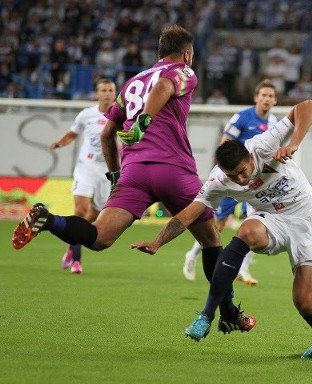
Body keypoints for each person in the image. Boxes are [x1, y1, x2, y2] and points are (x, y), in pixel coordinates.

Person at [12, 24, 254, 334]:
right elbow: (164, 87)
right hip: (174, 170)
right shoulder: (183, 71)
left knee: (99, 237)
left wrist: (115, 175)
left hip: (134, 172)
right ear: (186, 53)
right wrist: (145, 120)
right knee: (211, 241)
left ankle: (49, 220)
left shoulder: (132, 83)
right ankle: (230, 312)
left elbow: (106, 132)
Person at [131, 99, 312, 359]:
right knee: (246, 231)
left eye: (243, 171)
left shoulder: (263, 145)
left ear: (250, 157)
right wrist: (157, 242)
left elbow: (308, 105)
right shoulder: (219, 180)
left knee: (305, 303)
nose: (241, 180)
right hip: (270, 220)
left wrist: (293, 143)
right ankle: (208, 314)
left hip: (305, 219)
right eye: (233, 177)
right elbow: (187, 215)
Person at [182, 80, 279, 284]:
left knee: (259, 222)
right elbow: (225, 144)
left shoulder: (274, 123)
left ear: (275, 100)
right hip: (235, 179)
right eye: (264, 95)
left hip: (257, 182)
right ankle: (191, 255)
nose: (267, 99)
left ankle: (243, 269)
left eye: (271, 96)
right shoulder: (242, 118)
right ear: (256, 97)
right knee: (218, 225)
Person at [48, 78, 116, 274]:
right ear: (97, 94)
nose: (107, 93)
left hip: (106, 172)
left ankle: (71, 246)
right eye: (103, 90)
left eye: (110, 90)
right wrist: (60, 143)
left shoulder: (121, 116)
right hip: (85, 167)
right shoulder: (86, 115)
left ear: (115, 93)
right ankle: (77, 261)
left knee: (92, 217)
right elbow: (73, 133)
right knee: (80, 210)